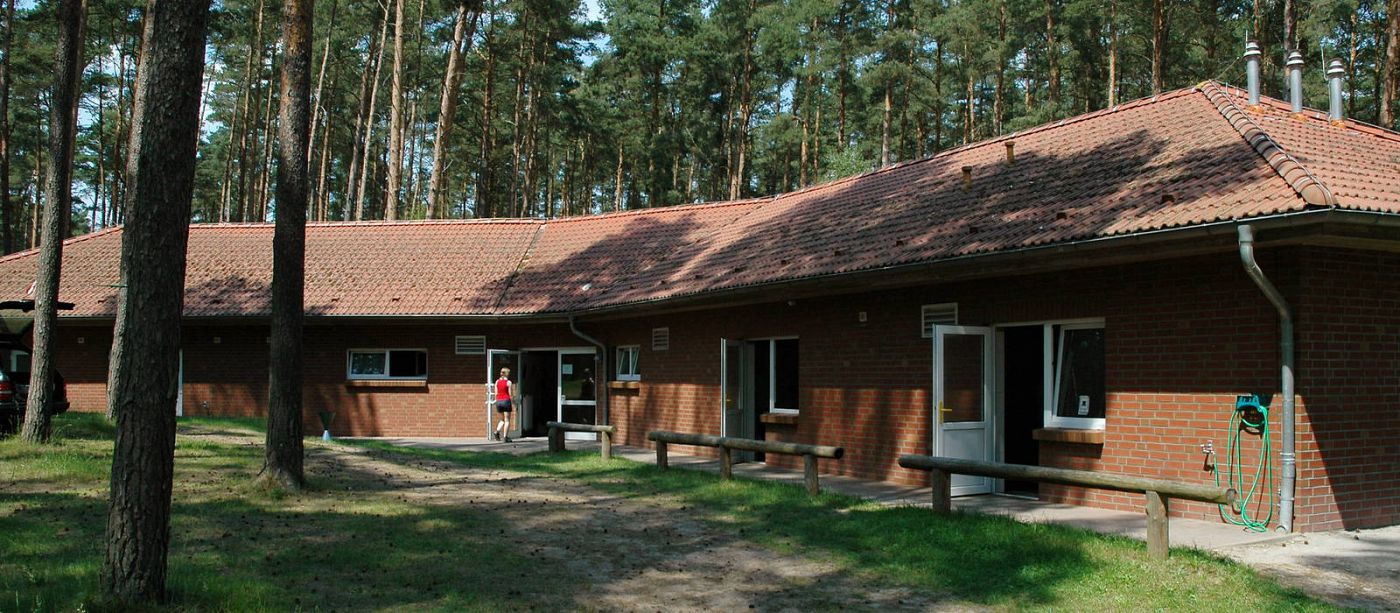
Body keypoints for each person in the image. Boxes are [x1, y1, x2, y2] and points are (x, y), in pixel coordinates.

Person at [492, 367, 516, 442]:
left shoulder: (497, 382)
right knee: (507, 420)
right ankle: (505, 437)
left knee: (502, 419)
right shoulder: (508, 382)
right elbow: (510, 394)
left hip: (499, 401)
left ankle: (497, 431)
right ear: (507, 374)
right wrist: (514, 403)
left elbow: (496, 393)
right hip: (506, 401)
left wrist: (497, 400)